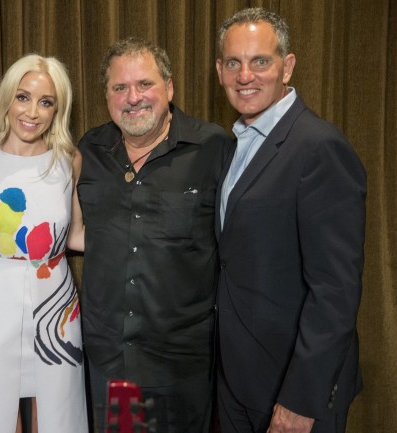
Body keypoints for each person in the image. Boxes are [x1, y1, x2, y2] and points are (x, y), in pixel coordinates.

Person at [214, 8, 366, 433]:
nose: (246, 75)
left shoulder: (319, 148)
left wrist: (301, 399)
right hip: (238, 380)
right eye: (233, 63)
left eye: (260, 61)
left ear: (288, 66)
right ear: (220, 71)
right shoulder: (235, 146)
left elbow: (336, 289)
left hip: (293, 391)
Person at [72, 37, 231, 433]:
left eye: (145, 84)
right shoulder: (88, 151)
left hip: (179, 367)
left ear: (170, 88)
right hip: (110, 364)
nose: (133, 98)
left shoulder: (213, 148)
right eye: (119, 88)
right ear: (106, 96)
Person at [0, 54, 88, 433]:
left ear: (57, 110)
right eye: (23, 97)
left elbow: (77, 234)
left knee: (58, 413)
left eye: (46, 102)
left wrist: (144, 241)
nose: (32, 111)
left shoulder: (69, 161)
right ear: (7, 100)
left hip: (55, 306)